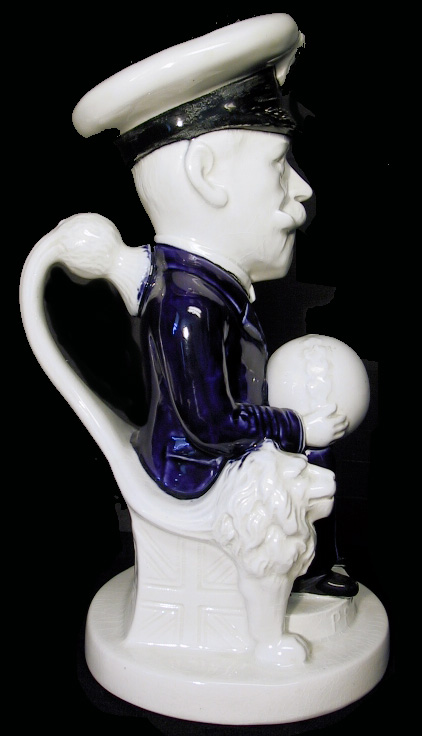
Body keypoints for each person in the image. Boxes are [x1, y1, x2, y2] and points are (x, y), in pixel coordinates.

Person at [72, 14, 357, 595]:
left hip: (207, 456)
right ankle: (298, 574)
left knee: (311, 460)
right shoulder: (190, 305)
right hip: (197, 471)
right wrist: (294, 426)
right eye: (279, 165)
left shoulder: (202, 288)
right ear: (205, 175)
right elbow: (209, 424)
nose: (301, 188)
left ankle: (307, 569)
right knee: (312, 463)